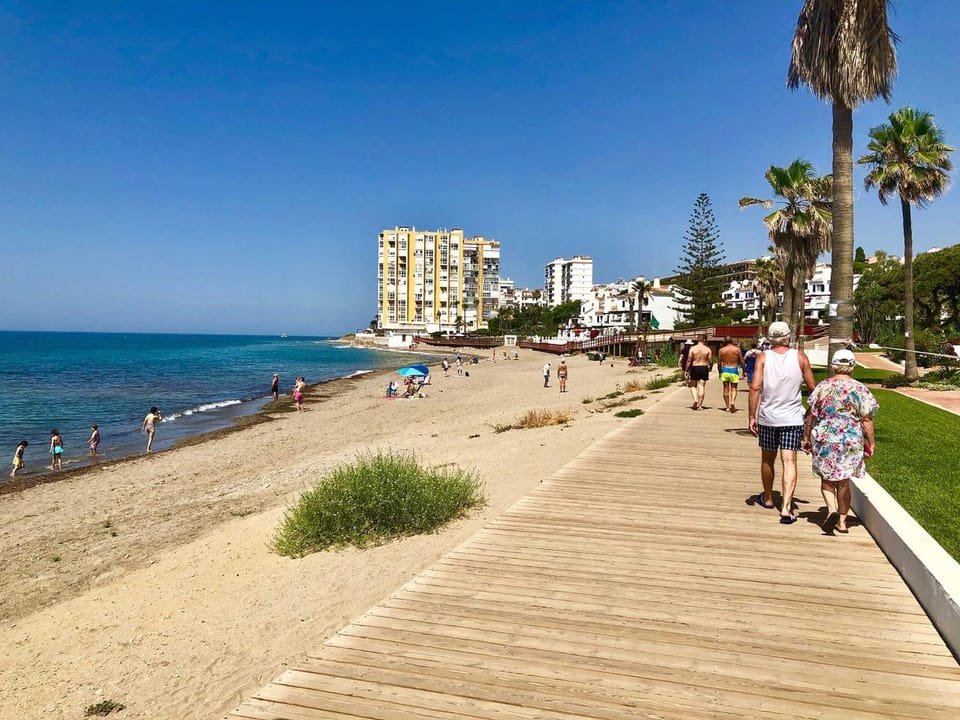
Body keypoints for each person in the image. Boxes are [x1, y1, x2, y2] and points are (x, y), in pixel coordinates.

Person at [803, 349, 878, 534]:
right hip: (850, 440)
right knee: (844, 482)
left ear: (833, 365)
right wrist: (872, 442)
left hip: (826, 438)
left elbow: (811, 414)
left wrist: (806, 437)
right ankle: (842, 522)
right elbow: (867, 419)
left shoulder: (823, 386)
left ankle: (831, 510)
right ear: (852, 365)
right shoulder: (860, 389)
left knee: (827, 479)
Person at [748, 322, 817, 524]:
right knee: (789, 461)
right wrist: (811, 414)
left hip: (768, 418)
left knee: (767, 460)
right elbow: (813, 387)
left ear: (769, 338)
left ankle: (768, 498)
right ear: (788, 337)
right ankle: (786, 508)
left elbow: (755, 387)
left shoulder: (763, 357)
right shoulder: (800, 357)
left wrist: (752, 416)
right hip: (793, 418)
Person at [684, 335, 713, 410]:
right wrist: (710, 368)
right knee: (702, 386)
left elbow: (689, 360)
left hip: (695, 367)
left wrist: (686, 370)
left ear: (698, 340)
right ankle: (699, 405)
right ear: (704, 340)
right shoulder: (708, 349)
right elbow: (711, 361)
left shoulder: (693, 349)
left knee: (693, 385)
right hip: (704, 367)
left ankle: (695, 399)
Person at [718, 336, 745, 412]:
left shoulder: (721, 350)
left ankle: (727, 407)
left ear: (725, 342)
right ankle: (732, 402)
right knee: (734, 388)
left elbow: (719, 363)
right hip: (734, 369)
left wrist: (719, 372)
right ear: (732, 341)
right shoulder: (737, 349)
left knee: (725, 389)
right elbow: (742, 360)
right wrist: (744, 370)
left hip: (725, 369)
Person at [679, 339, 696, 406]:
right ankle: (690, 381)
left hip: (684, 362)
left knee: (685, 372)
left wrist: (679, 362)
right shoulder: (692, 350)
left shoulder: (683, 349)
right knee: (690, 371)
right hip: (691, 362)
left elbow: (681, 356)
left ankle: (687, 383)